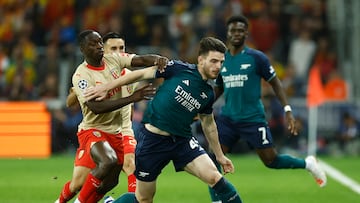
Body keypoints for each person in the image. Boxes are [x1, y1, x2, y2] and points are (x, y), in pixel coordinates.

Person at [84, 37, 243, 203]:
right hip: (152, 141)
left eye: (221, 62)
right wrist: (104, 87)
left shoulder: (208, 94)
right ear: (201, 60)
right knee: (143, 199)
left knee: (215, 178)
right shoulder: (179, 69)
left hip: (182, 141)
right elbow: (141, 74)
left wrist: (219, 156)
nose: (218, 66)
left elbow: (209, 124)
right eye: (214, 61)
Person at [207, 15, 327, 203]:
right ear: (227, 33)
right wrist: (202, 106)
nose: (237, 33)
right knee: (212, 158)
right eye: (233, 30)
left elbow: (275, 83)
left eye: (240, 30)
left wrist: (287, 109)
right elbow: (219, 88)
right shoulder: (222, 60)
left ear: (246, 33)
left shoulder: (257, 58)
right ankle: (217, 200)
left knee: (271, 161)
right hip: (228, 119)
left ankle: (308, 163)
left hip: (253, 118)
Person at [55, 29, 168, 203]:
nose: (99, 46)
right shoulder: (82, 75)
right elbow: (94, 107)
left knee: (111, 181)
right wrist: (132, 98)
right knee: (81, 181)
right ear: (83, 49)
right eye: (94, 44)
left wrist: (160, 60)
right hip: (94, 129)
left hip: (120, 131)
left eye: (100, 42)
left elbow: (142, 61)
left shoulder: (118, 64)